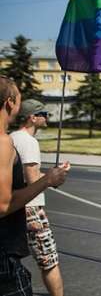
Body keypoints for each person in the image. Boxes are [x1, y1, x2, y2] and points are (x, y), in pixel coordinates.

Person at [0, 77, 69, 296]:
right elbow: (5, 202)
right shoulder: (11, 142)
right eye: (19, 99)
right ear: (10, 102)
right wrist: (49, 178)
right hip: (13, 235)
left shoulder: (11, 137)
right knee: (48, 260)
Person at [10, 100, 63, 296]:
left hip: (14, 204)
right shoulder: (29, 142)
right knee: (49, 260)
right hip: (32, 208)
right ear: (32, 118)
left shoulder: (12, 137)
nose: (47, 117)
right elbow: (33, 179)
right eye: (43, 114)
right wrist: (53, 177)